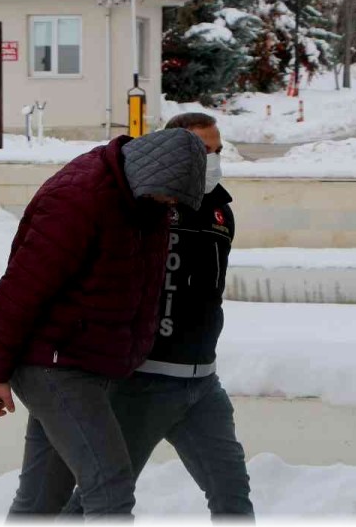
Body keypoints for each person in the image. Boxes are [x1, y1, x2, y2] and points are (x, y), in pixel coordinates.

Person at [0, 127, 208, 519]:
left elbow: (143, 289)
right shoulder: (79, 198)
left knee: (42, 500)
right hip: (53, 363)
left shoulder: (147, 206)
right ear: (150, 175)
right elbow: (21, 288)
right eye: (168, 194)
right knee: (110, 484)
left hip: (87, 363)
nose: (170, 204)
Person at [64, 112, 254, 519]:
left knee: (233, 495)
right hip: (145, 383)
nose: (213, 160)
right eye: (203, 150)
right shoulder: (148, 205)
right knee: (100, 498)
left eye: (217, 150)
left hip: (203, 384)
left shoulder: (222, 212)